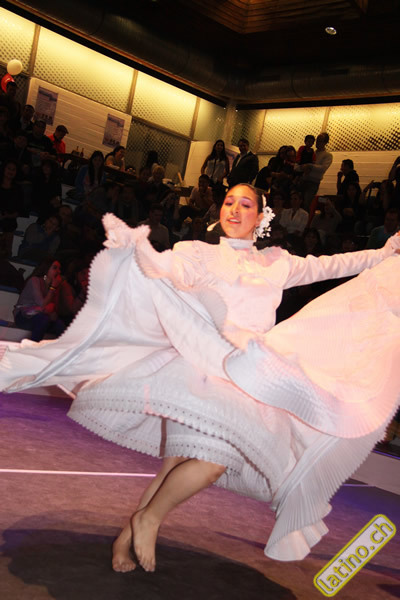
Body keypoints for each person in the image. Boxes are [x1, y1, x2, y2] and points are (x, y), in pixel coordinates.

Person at [1, 185, 400, 575]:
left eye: (246, 205)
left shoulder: (278, 263)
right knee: (204, 463)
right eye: (229, 202)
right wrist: (140, 253)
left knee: (180, 467)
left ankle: (132, 532)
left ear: (261, 217)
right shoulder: (198, 253)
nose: (235, 210)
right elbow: (168, 269)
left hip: (248, 374)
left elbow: (334, 265)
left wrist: (385, 252)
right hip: (202, 366)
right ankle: (147, 521)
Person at [13, 257, 65, 341]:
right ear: (46, 268)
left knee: (60, 324)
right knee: (43, 319)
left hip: (42, 315)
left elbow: (54, 308)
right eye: (55, 268)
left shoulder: (55, 285)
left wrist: (51, 311)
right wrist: (53, 287)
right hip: (25, 316)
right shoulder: (35, 280)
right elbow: (42, 303)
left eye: (59, 269)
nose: (58, 271)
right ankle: (33, 346)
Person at [298, 133, 333, 210]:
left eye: (320, 141)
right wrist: (302, 167)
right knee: (299, 202)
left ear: (325, 143)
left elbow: (323, 168)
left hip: (313, 182)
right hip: (303, 179)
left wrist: (309, 165)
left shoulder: (327, 155)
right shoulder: (311, 152)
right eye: (317, 140)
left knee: (306, 203)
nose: (317, 143)